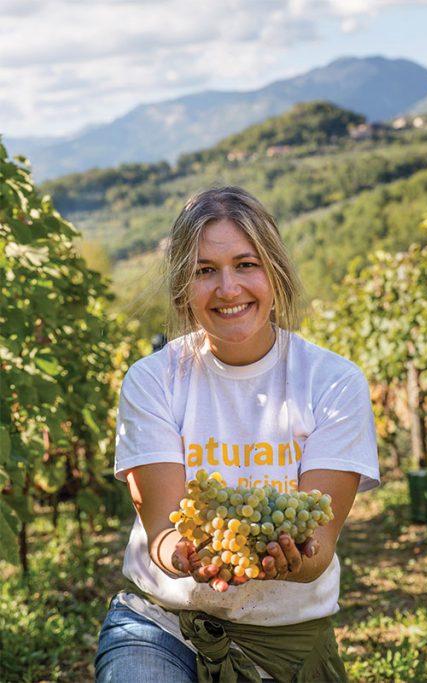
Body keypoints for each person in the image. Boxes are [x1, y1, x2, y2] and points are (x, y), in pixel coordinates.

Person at [94, 187, 379, 682]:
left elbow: (318, 547)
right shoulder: (152, 380)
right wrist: (180, 555)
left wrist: (290, 560)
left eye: (246, 264)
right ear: (184, 285)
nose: (228, 289)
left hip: (285, 638)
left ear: (275, 273)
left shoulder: (333, 382)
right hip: (162, 624)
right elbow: (163, 529)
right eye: (206, 270)